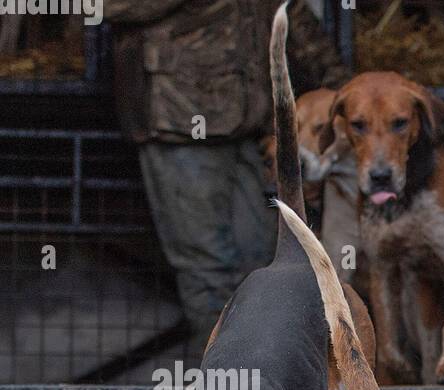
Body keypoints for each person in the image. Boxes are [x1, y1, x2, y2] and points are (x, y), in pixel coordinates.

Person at [105, 0, 348, 356]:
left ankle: (257, 378)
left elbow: (290, 16)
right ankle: (224, 385)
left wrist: (349, 92)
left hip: (252, 126)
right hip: (180, 122)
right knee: (207, 269)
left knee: (261, 263)